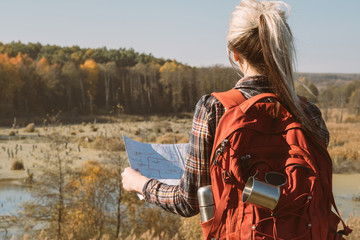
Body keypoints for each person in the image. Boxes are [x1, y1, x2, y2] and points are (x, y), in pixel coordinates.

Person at [122, 0, 329, 229]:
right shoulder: (309, 114)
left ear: (235, 53)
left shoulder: (214, 108)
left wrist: (140, 184)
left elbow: (188, 201)